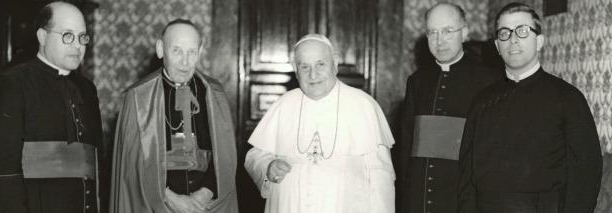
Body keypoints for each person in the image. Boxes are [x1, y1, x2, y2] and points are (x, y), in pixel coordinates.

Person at [458, 2, 603, 213]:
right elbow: (466, 175)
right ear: (497, 46)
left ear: (539, 41)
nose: (513, 39)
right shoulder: (481, 101)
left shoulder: (568, 98)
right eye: (505, 33)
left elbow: (586, 174)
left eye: (522, 31)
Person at [244, 34, 395, 213]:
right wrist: (268, 166)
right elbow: (254, 156)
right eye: (304, 66)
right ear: (295, 69)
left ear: (335, 63)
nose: (312, 74)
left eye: (320, 64)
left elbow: (381, 178)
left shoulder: (363, 105)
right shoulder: (283, 104)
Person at [0, 2, 103, 213]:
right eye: (67, 35)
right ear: (42, 37)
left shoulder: (87, 89)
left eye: (82, 37)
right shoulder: (11, 84)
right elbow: (1, 173)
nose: (77, 46)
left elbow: (96, 167)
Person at [109, 19, 238, 213]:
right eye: (176, 51)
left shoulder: (214, 94)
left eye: (191, 52)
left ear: (200, 52)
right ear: (161, 49)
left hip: (205, 205)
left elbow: (225, 159)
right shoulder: (138, 98)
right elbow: (132, 167)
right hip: (156, 204)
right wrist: (169, 198)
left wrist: (204, 194)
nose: (185, 62)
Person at [397, 3, 500, 212]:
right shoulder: (416, 81)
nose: (439, 40)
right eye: (432, 32)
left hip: (462, 201)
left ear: (464, 33)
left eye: (447, 31)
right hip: (418, 198)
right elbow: (405, 147)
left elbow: (492, 156)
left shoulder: (490, 82)